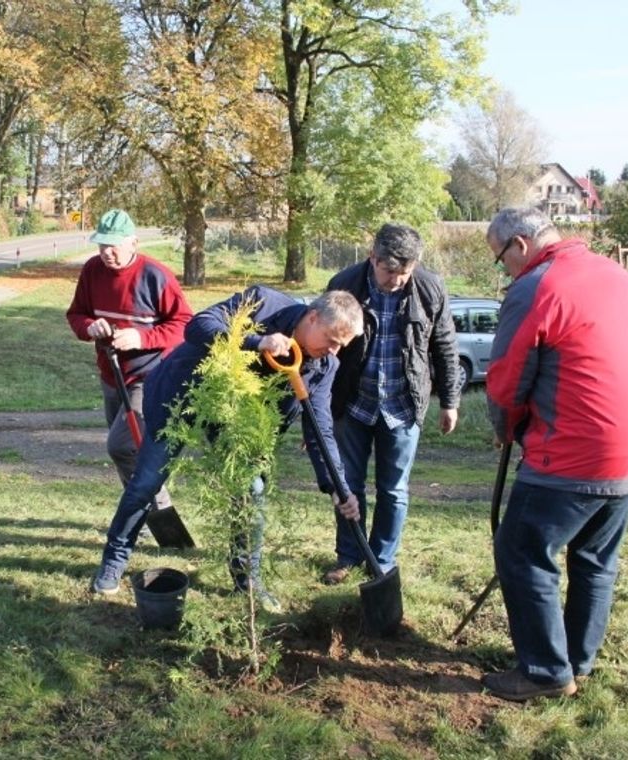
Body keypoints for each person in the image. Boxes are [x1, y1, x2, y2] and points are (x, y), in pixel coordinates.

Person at [89, 286, 364, 612]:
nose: (334, 352)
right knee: (148, 480)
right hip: (185, 395)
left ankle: (247, 579)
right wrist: (256, 342)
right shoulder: (264, 304)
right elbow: (197, 326)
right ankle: (114, 560)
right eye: (332, 340)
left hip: (236, 419)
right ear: (313, 317)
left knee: (251, 488)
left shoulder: (321, 367)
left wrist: (338, 488)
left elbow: (320, 432)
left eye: (341, 346)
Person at [482, 207, 628, 702]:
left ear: (519, 244)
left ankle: (544, 674)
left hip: (575, 450)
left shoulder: (536, 286)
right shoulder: (615, 274)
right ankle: (576, 663)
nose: (506, 271)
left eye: (502, 260)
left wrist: (505, 429)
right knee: (595, 559)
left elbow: (507, 377)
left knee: (521, 552)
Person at [323, 222, 460, 584]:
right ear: (373, 257)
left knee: (394, 490)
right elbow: (323, 349)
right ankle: (349, 556)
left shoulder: (430, 288)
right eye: (389, 272)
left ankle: (381, 559)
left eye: (405, 273)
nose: (396, 280)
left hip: (402, 406)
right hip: (352, 404)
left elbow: (444, 346)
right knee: (347, 485)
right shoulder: (344, 284)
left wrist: (450, 401)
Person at [66, 209, 193, 515]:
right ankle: (146, 512)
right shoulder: (92, 271)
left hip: (149, 377)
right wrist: (89, 327)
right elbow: (76, 314)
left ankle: (154, 508)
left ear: (133, 242)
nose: (107, 253)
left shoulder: (155, 275)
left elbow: (185, 325)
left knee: (122, 446)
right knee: (129, 450)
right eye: (101, 245)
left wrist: (140, 338)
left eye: (114, 246)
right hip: (110, 374)